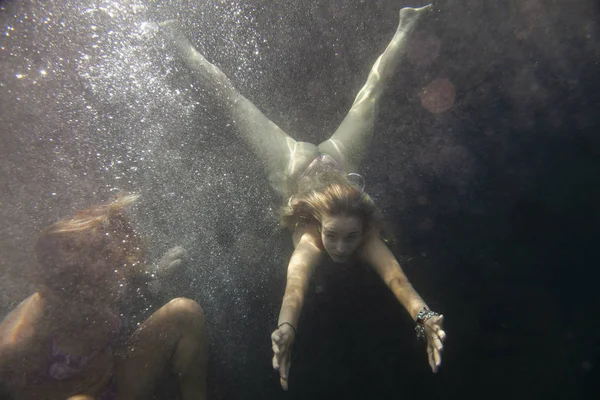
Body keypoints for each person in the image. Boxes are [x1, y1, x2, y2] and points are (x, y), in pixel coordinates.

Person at [159, 2, 445, 390]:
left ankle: (406, 24)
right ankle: (178, 41)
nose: (341, 247)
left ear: (363, 230)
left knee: (372, 91)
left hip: (319, 161)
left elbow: (396, 279)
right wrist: (286, 326)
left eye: (349, 238)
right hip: (308, 161)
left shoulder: (363, 237)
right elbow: (296, 283)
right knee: (233, 99)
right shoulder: (311, 237)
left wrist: (423, 315)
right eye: (332, 236)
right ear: (319, 225)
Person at [0, 195, 208, 400]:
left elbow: (134, 271)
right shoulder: (28, 328)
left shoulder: (100, 282)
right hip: (78, 393)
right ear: (85, 267)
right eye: (116, 264)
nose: (121, 273)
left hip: (114, 383)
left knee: (184, 312)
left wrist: (157, 272)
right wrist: (70, 389)